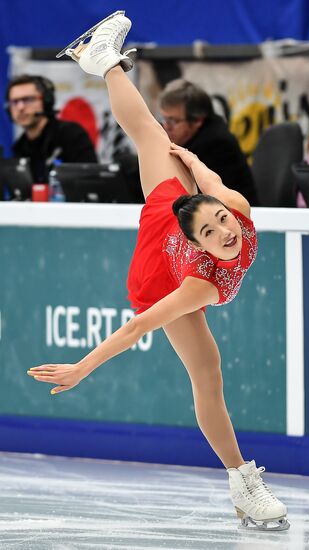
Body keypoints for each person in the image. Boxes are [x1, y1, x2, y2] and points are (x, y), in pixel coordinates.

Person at [27, 11, 289, 531]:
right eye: (212, 235)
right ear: (197, 244)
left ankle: (104, 61)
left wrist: (191, 163)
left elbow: (212, 189)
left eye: (222, 223)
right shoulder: (196, 284)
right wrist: (84, 367)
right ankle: (243, 481)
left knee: (154, 134)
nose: (226, 234)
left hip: (179, 203)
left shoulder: (233, 209)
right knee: (207, 372)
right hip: (158, 272)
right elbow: (137, 326)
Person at [159, 79, 259, 206]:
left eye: (173, 121)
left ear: (198, 120)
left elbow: (198, 200)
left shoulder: (216, 144)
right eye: (164, 119)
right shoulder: (192, 138)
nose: (166, 126)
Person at [5, 74, 98, 183]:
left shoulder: (70, 134)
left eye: (28, 99)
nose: (20, 107)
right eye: (14, 102)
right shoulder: (20, 147)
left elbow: (91, 182)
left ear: (46, 102)